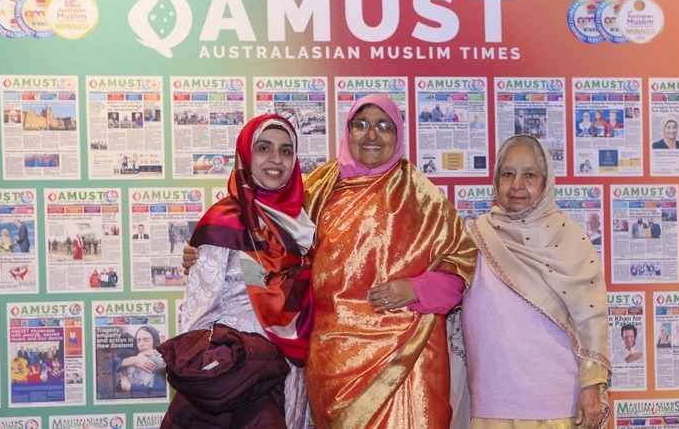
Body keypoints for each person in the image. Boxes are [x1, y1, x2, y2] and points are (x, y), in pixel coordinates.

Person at [182, 96, 477, 428]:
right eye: (361, 124)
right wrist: (206, 249)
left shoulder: (424, 198)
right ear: (347, 132)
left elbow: (461, 261)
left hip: (404, 357)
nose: (371, 135)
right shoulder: (320, 186)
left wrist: (417, 288)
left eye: (384, 126)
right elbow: (272, 233)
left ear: (399, 136)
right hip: (327, 357)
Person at [173, 114, 315, 429]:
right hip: (241, 378)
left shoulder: (305, 224)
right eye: (264, 148)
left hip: (294, 374)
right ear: (247, 156)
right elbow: (198, 315)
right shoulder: (224, 221)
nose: (276, 159)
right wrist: (207, 375)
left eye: (286, 150)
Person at [462, 135, 611, 429]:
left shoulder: (570, 240)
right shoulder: (474, 237)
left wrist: (592, 385)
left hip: (555, 407)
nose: (517, 184)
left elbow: (591, 318)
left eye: (529, 175)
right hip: (492, 405)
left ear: (545, 182)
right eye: (508, 174)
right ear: (496, 180)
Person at [117, 326, 166, 393]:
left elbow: (160, 389)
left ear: (155, 341)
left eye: (146, 340)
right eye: (138, 341)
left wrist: (131, 387)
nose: (141, 344)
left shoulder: (161, 359)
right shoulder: (131, 355)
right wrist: (134, 360)